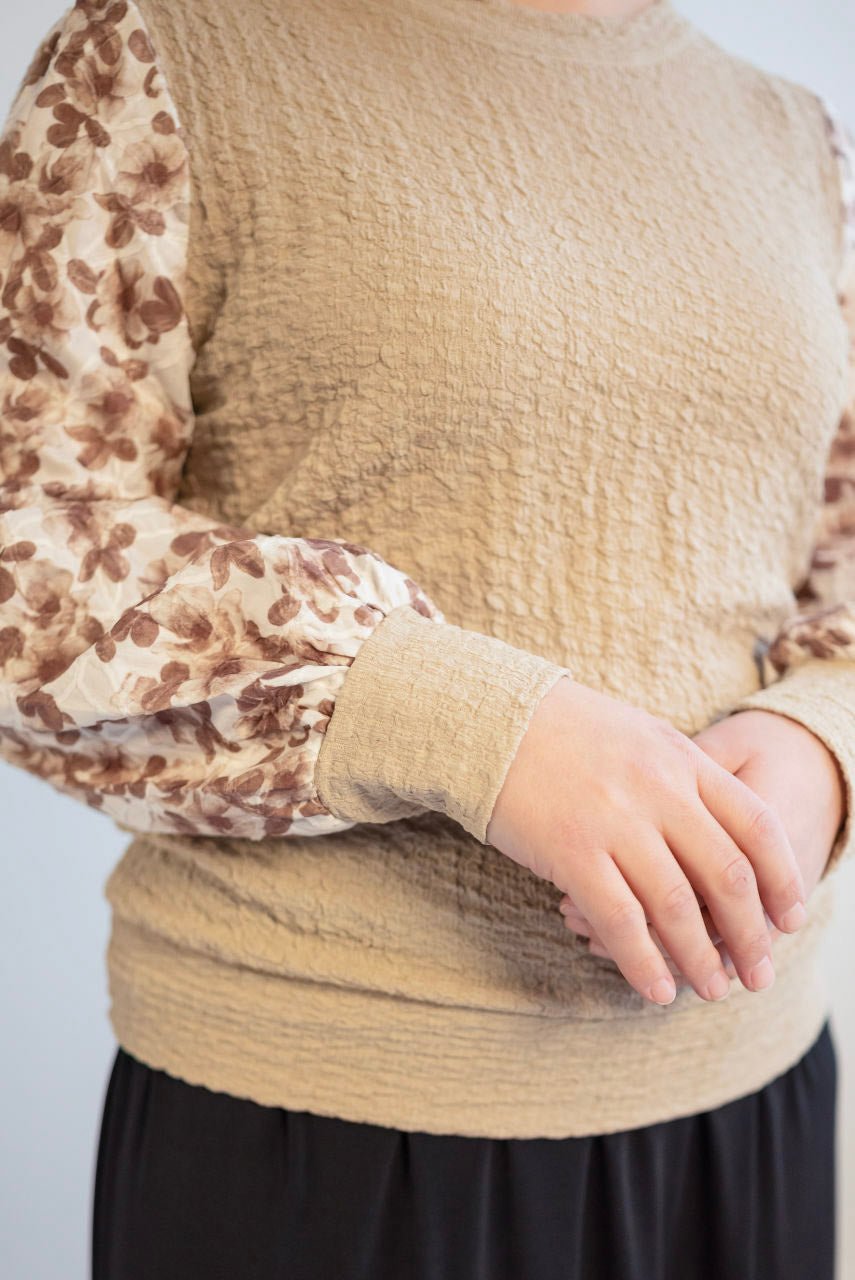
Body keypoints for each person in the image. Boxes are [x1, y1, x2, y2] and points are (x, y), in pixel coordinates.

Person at [1, 0, 853, 1275]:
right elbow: (28, 544)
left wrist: (821, 738)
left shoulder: (792, 136)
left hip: (753, 1102)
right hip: (327, 1123)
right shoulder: (168, 49)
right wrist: (472, 727)